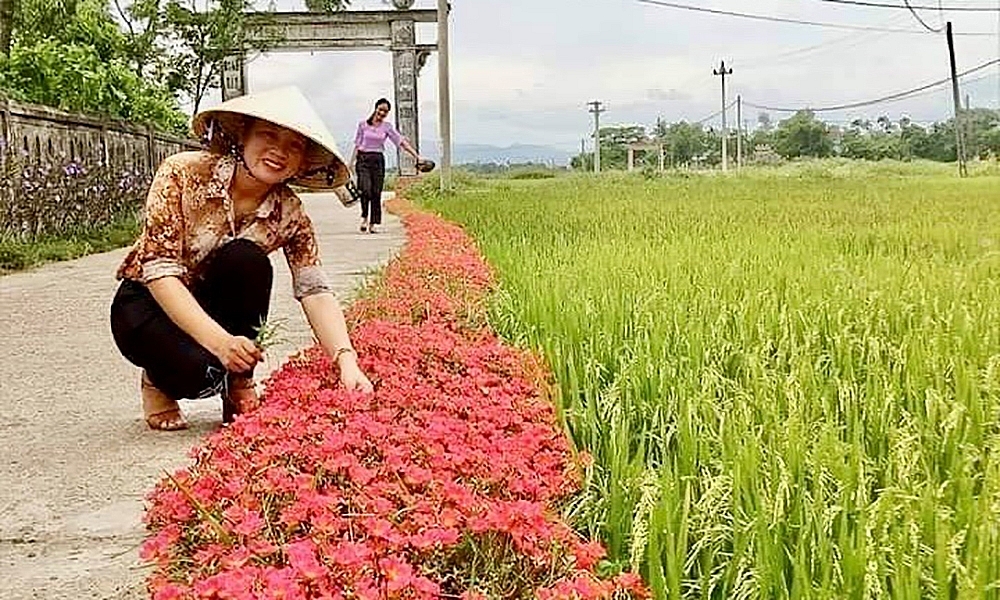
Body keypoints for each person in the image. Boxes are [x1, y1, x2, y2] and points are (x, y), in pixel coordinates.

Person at [110, 86, 374, 432]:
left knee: (247, 260)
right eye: (268, 135)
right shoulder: (183, 174)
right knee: (199, 375)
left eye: (294, 145)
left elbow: (315, 290)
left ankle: (237, 382)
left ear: (302, 161)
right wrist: (221, 345)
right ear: (243, 136)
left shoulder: (290, 212)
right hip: (148, 302)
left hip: (213, 303)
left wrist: (347, 362)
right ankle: (158, 382)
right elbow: (158, 270)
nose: (279, 151)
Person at [350, 98, 424, 234]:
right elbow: (357, 144)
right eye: (381, 109)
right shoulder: (363, 125)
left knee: (376, 192)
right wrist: (351, 163)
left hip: (378, 160)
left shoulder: (387, 127)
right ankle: (364, 217)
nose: (382, 113)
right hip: (363, 159)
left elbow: (401, 142)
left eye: (385, 111)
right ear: (375, 108)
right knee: (365, 190)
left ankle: (374, 223)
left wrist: (417, 156)